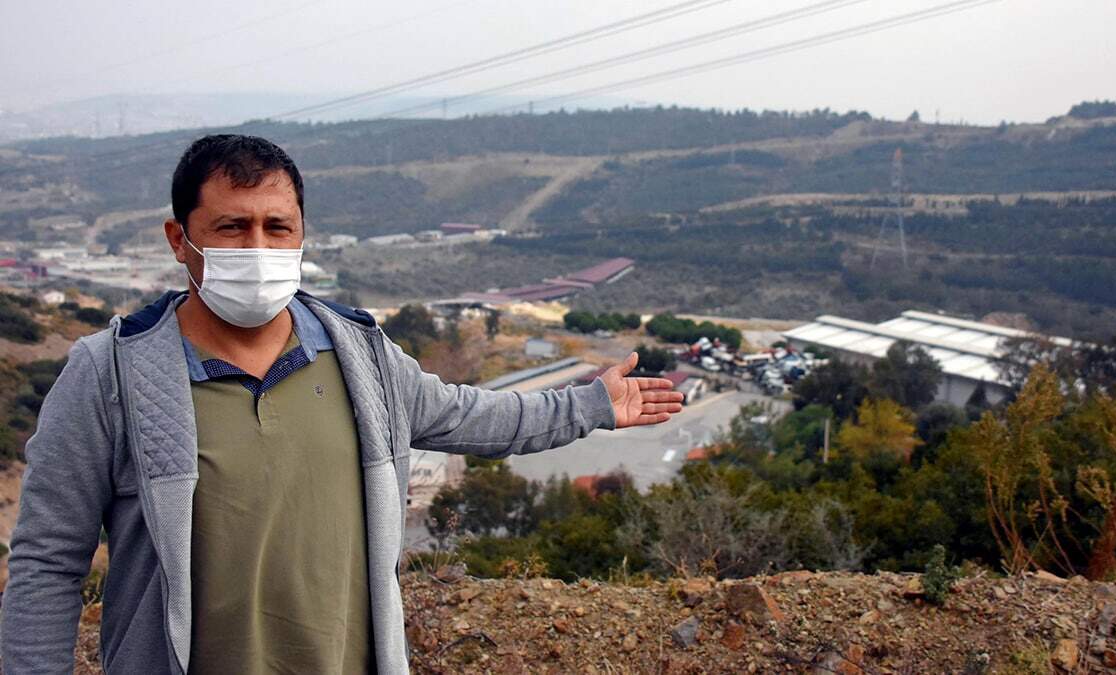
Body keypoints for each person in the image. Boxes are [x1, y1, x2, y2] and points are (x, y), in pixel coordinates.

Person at [0, 134, 683, 674]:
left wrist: (589, 404)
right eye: (232, 228)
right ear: (180, 239)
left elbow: (477, 418)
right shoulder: (111, 373)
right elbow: (47, 561)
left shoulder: (362, 356)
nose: (259, 247)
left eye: (277, 226)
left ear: (302, 235)